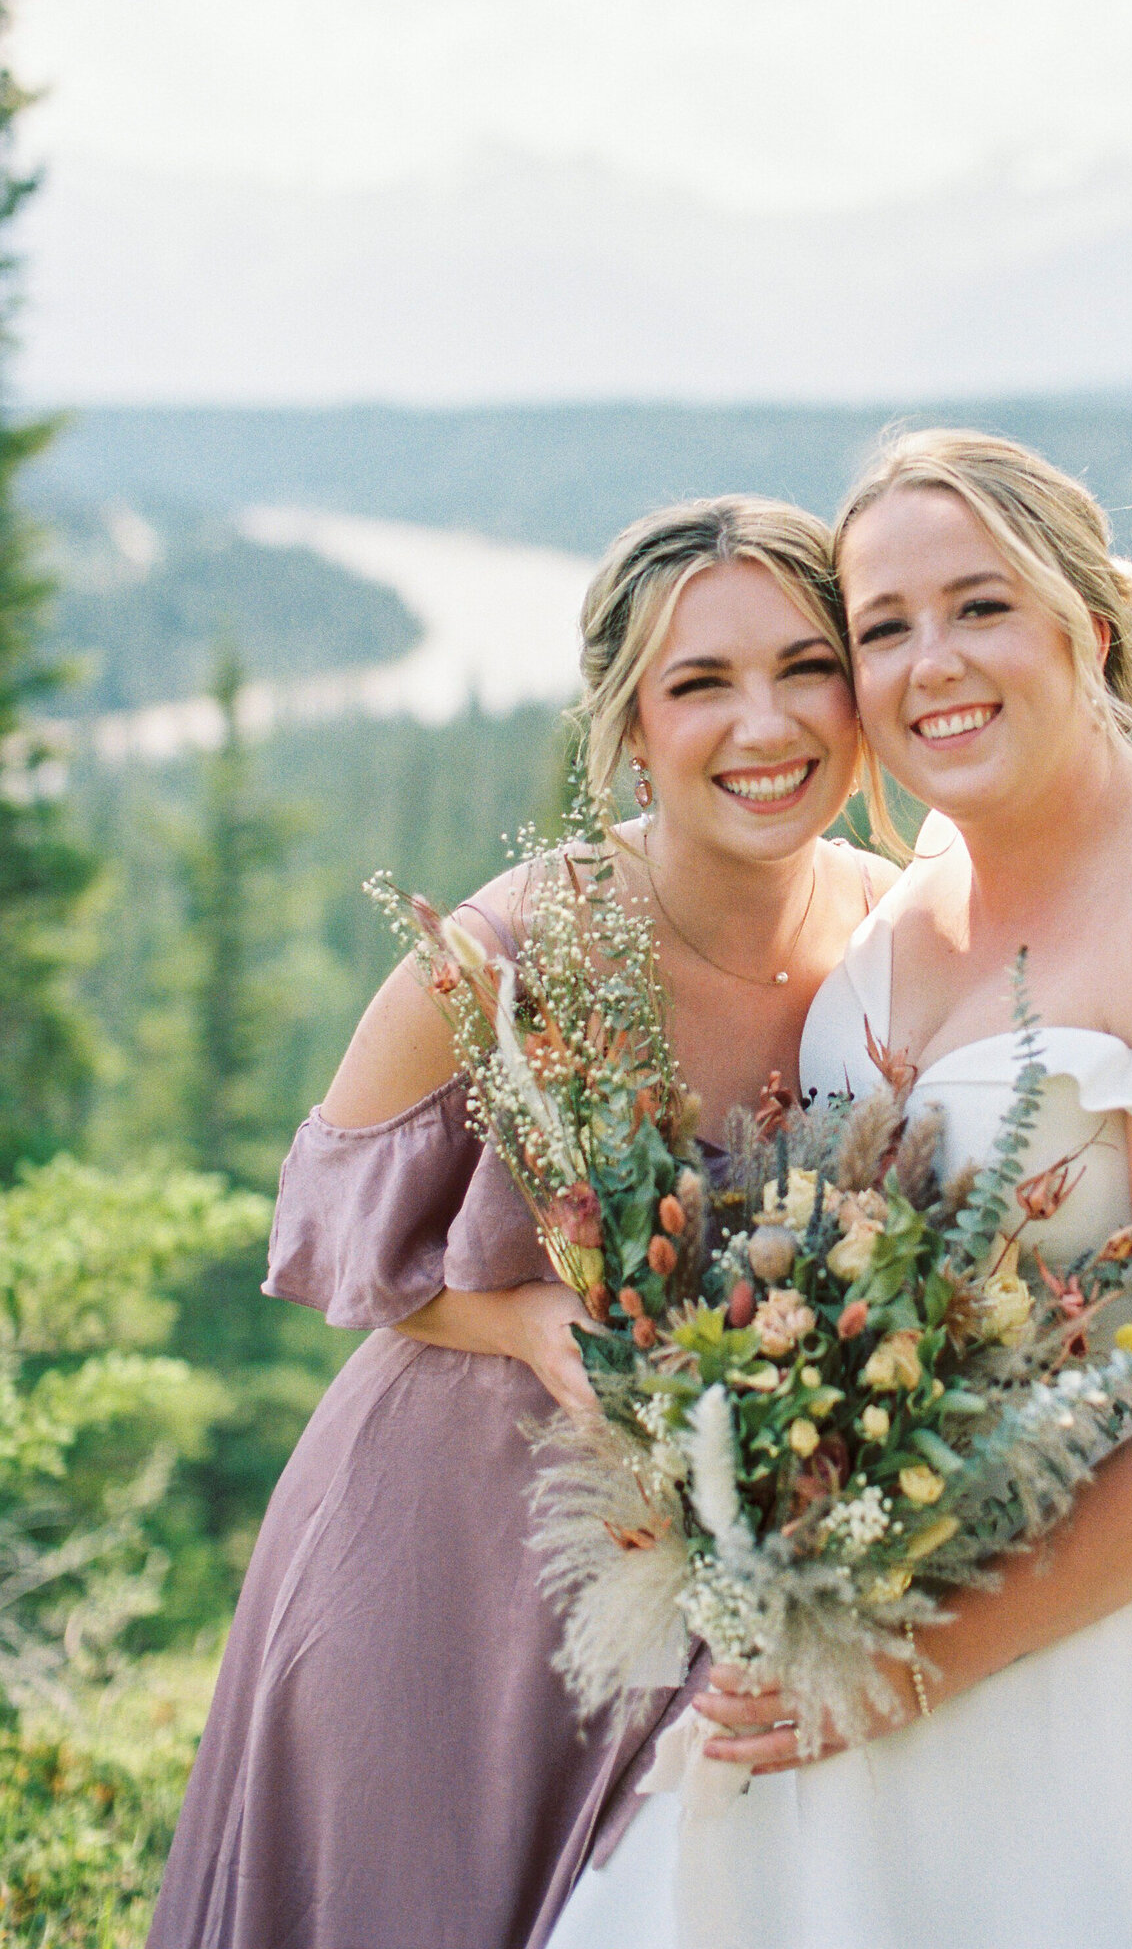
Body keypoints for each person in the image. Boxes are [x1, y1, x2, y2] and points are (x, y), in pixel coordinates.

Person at [551, 431, 1132, 1949]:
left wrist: (921, 1670)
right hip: (852, 1611)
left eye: (979, 607)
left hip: (1116, 1663)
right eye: (885, 629)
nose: (932, 666)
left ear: (1088, 624)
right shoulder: (916, 882)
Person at [148, 495, 896, 1949]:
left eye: (807, 666)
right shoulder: (511, 946)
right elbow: (321, 1232)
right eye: (700, 684)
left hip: (740, 1568)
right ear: (624, 729)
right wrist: (519, 1318)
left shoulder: (900, 929)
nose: (767, 723)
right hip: (447, 1549)